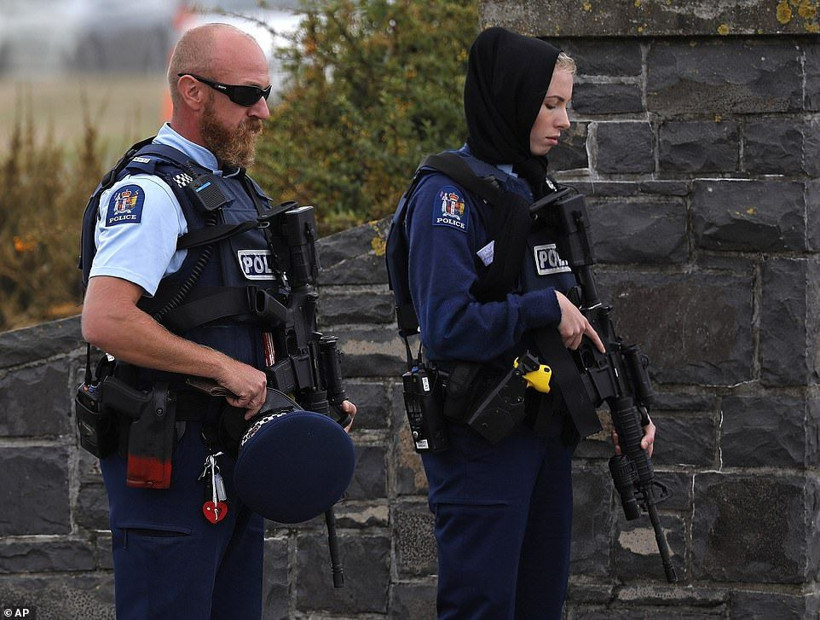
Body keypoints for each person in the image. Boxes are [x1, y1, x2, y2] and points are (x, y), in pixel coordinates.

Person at [80, 23, 355, 619]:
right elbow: (104, 320)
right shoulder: (151, 192)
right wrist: (223, 369)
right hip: (171, 459)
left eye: (265, 93)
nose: (263, 111)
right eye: (245, 95)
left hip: (232, 455)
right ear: (192, 91)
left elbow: (238, 317)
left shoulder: (235, 191)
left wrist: (299, 394)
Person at [390, 27, 657, 618]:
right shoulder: (449, 196)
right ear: (510, 98)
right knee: (482, 605)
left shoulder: (536, 189)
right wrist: (540, 308)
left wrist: (625, 408)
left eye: (566, 103)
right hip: (481, 439)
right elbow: (447, 326)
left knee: (541, 605)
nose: (564, 120)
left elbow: (582, 316)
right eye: (551, 103)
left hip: (543, 433)